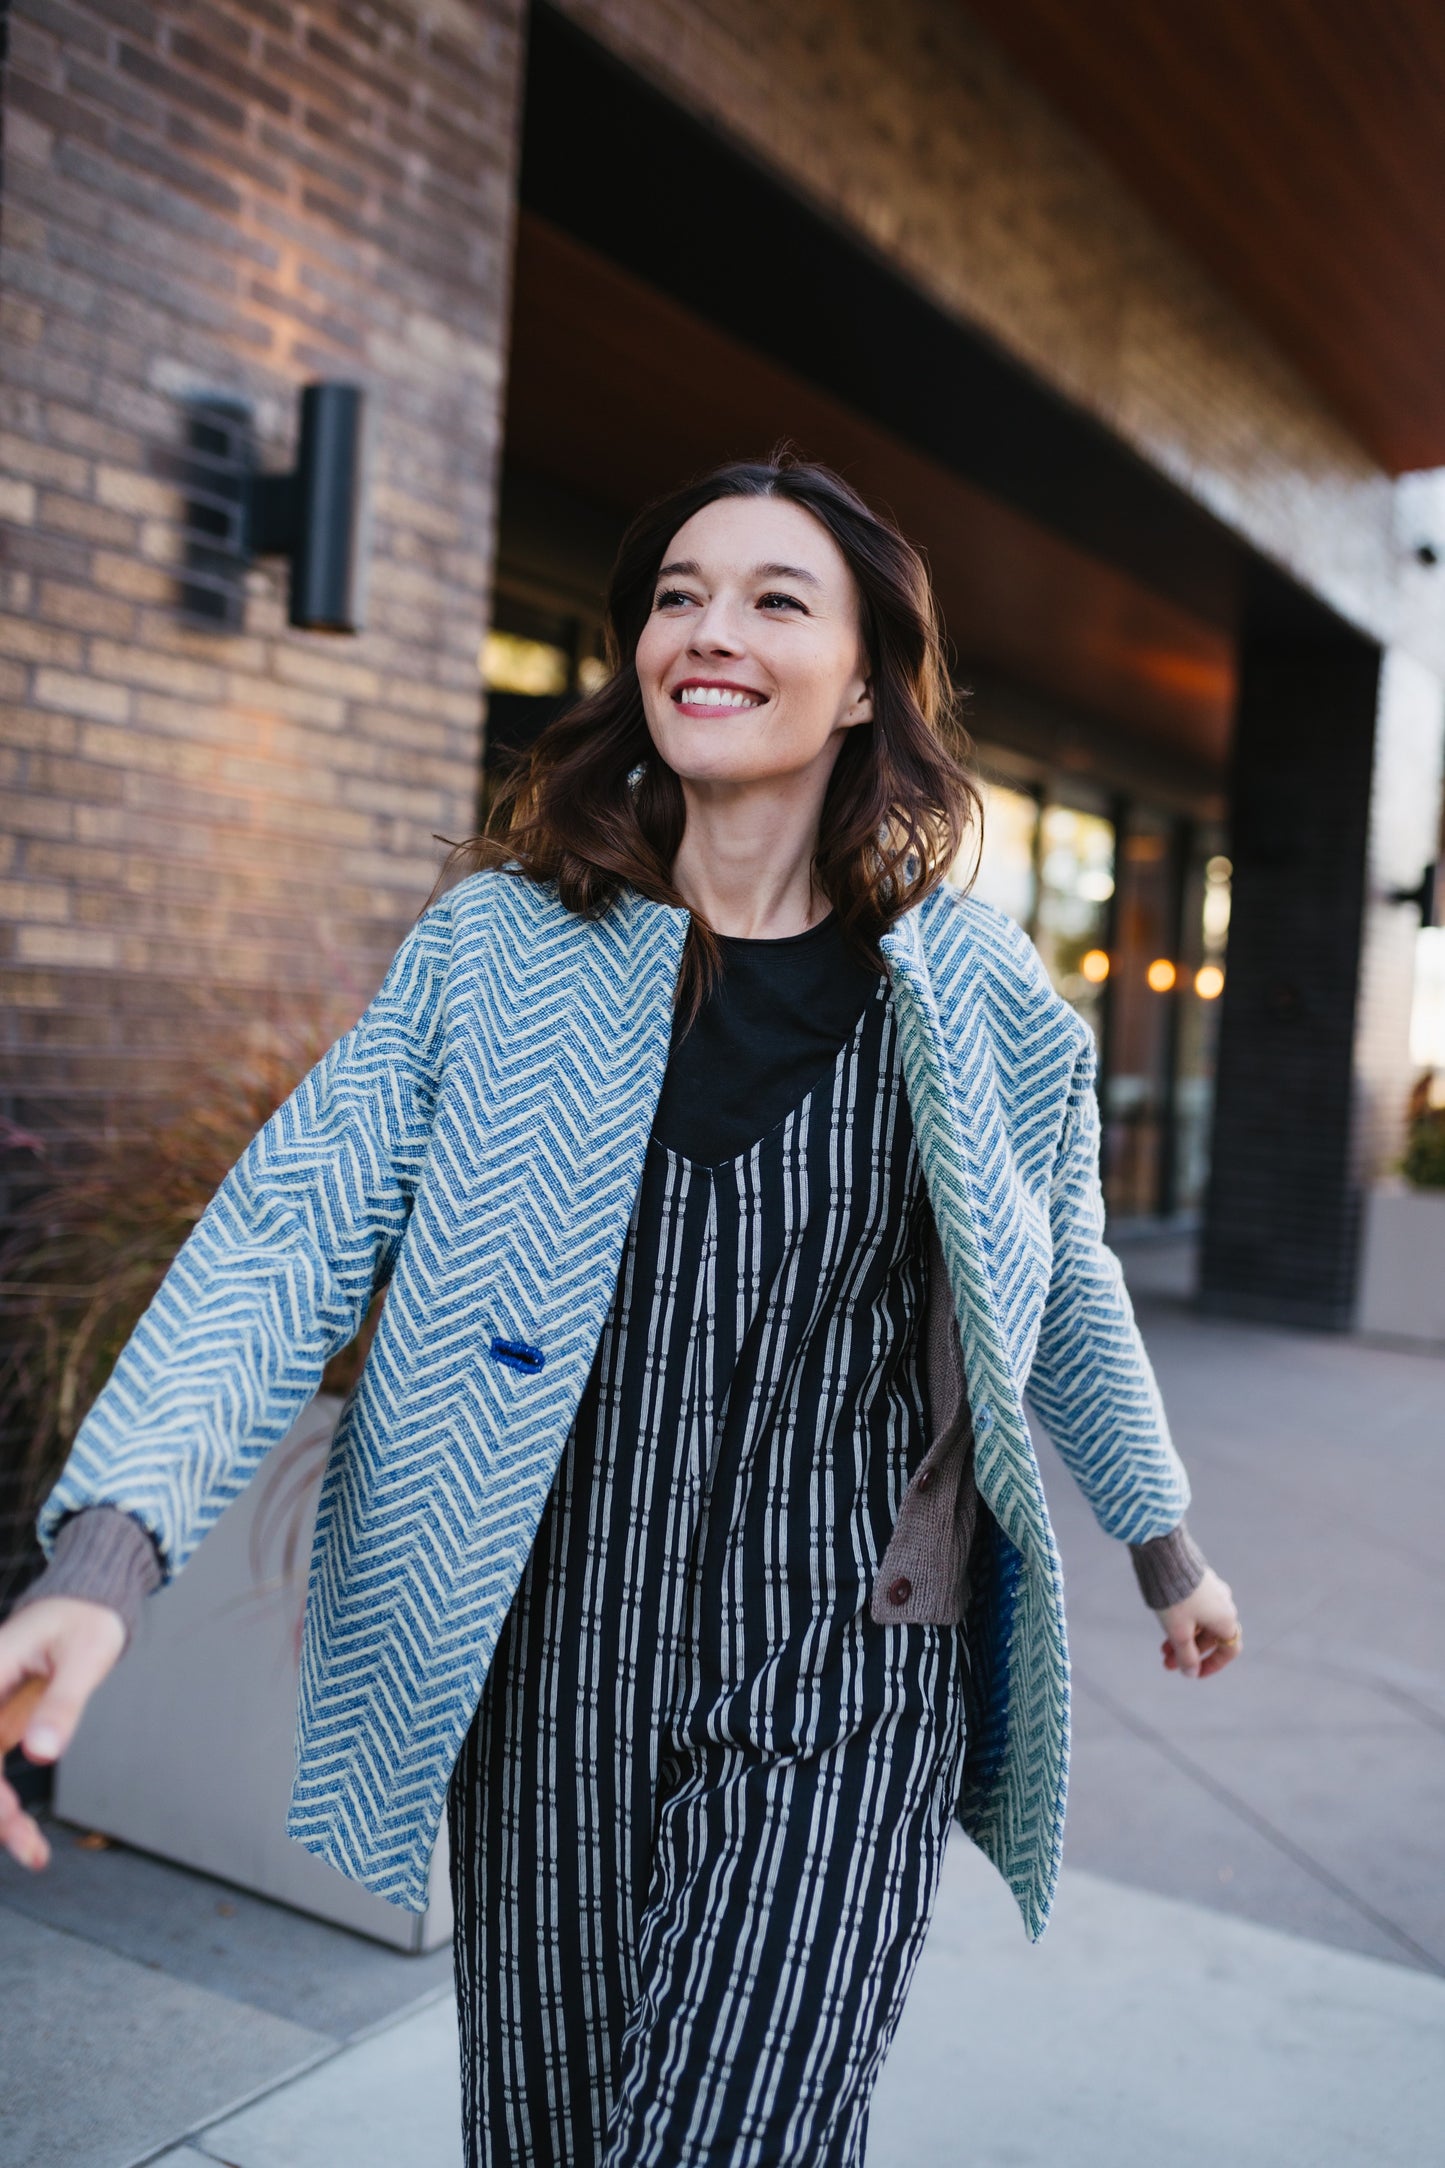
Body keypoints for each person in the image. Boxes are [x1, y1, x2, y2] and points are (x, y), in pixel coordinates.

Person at [0, 454, 1240, 2166]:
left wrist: (1159, 1535)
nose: (705, 631)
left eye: (771, 600)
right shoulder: (497, 954)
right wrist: (103, 1563)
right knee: (548, 2138)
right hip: (551, 1667)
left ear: (867, 679)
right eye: (674, 595)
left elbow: (1069, 1277)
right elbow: (291, 1227)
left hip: (844, 1683)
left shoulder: (975, 995)